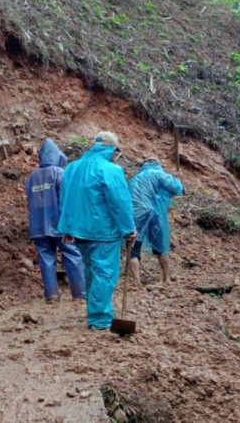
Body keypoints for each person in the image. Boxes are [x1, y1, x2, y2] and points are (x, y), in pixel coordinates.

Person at [58, 131, 137, 330]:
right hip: (104, 232)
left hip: (79, 232)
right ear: (112, 150)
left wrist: (67, 226)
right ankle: (100, 319)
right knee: (105, 273)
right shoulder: (111, 170)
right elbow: (119, 203)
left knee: (91, 272)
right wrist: (129, 229)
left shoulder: (72, 168)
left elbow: (65, 198)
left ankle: (95, 313)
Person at [25, 138, 86, 303]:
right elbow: (67, 200)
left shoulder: (32, 177)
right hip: (60, 224)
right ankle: (79, 293)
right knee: (72, 254)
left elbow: (31, 200)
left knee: (45, 258)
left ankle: (51, 295)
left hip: (38, 226)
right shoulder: (60, 173)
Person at [128, 158, 184, 286]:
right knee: (161, 245)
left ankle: (136, 281)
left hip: (134, 213)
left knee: (133, 248)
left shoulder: (135, 179)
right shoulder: (158, 173)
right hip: (152, 212)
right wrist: (178, 179)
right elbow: (175, 188)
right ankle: (166, 278)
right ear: (157, 164)